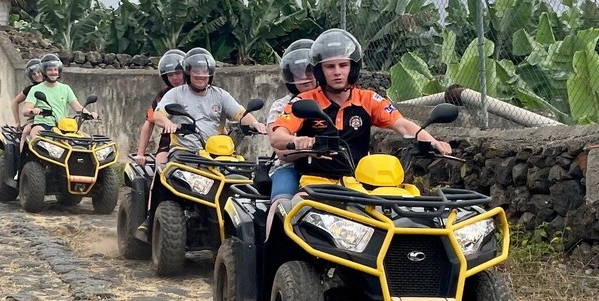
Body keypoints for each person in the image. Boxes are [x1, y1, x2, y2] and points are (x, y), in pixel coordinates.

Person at [270, 28, 452, 191]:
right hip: (315, 184)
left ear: (353, 68)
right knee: (290, 212)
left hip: (358, 185)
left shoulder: (367, 99)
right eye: (330, 67)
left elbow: (402, 125)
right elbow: (277, 136)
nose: (337, 72)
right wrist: (301, 140)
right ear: (320, 71)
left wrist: (433, 142)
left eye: (343, 65)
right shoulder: (304, 101)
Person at [153, 47, 267, 154]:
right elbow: (158, 115)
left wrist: (255, 123)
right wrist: (168, 123)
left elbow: (241, 113)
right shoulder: (175, 93)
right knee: (170, 171)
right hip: (185, 153)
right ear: (188, 73)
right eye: (196, 71)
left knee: (240, 171)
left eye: (204, 71)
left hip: (217, 153)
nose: (201, 75)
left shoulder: (220, 95)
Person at [264, 39, 318, 235]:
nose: (304, 78)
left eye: (309, 71)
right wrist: (305, 146)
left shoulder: (333, 100)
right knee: (281, 204)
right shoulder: (281, 106)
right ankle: (271, 253)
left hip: (330, 169)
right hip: (289, 167)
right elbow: (279, 148)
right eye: (297, 72)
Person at [22, 53, 98, 143]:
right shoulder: (35, 89)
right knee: (36, 136)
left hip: (64, 126)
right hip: (44, 124)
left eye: (55, 69)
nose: (53, 72)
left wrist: (90, 114)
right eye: (49, 70)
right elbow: (25, 110)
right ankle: (20, 156)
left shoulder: (65, 88)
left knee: (88, 140)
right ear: (43, 71)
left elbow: (77, 107)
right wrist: (33, 110)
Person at [134, 49, 186, 168]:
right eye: (170, 75)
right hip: (170, 142)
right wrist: (140, 153)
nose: (174, 78)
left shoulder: (200, 92)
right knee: (162, 168)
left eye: (178, 73)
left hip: (202, 140)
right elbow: (150, 121)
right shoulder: (164, 94)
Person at [14, 58, 43, 150]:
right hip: (35, 118)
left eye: (39, 72)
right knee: (26, 131)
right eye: (34, 74)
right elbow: (15, 101)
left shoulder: (54, 86)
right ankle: (22, 155)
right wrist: (17, 122)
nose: (37, 75)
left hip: (54, 118)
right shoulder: (31, 89)